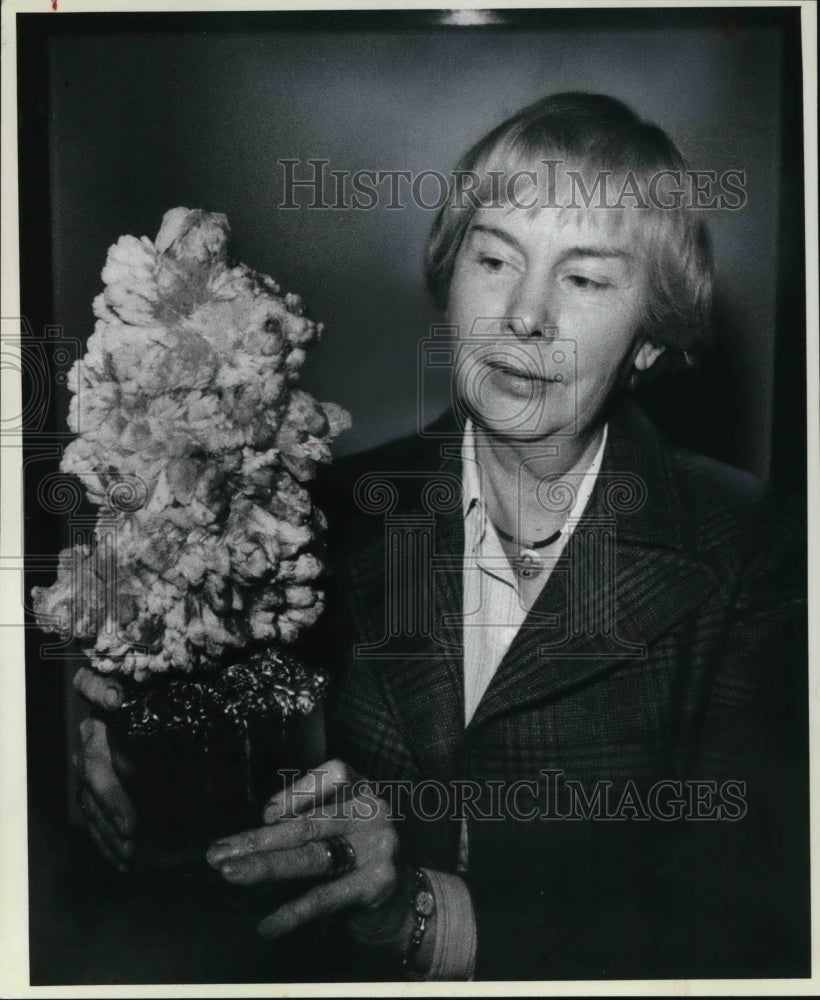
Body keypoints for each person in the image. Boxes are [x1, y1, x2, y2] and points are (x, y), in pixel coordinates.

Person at [72, 92, 808, 981]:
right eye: (494, 257)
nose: (524, 315)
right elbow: (227, 813)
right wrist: (132, 759)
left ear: (650, 339)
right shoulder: (314, 515)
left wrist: (425, 917)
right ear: (448, 272)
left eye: (582, 278)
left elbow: (757, 931)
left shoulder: (754, 547)